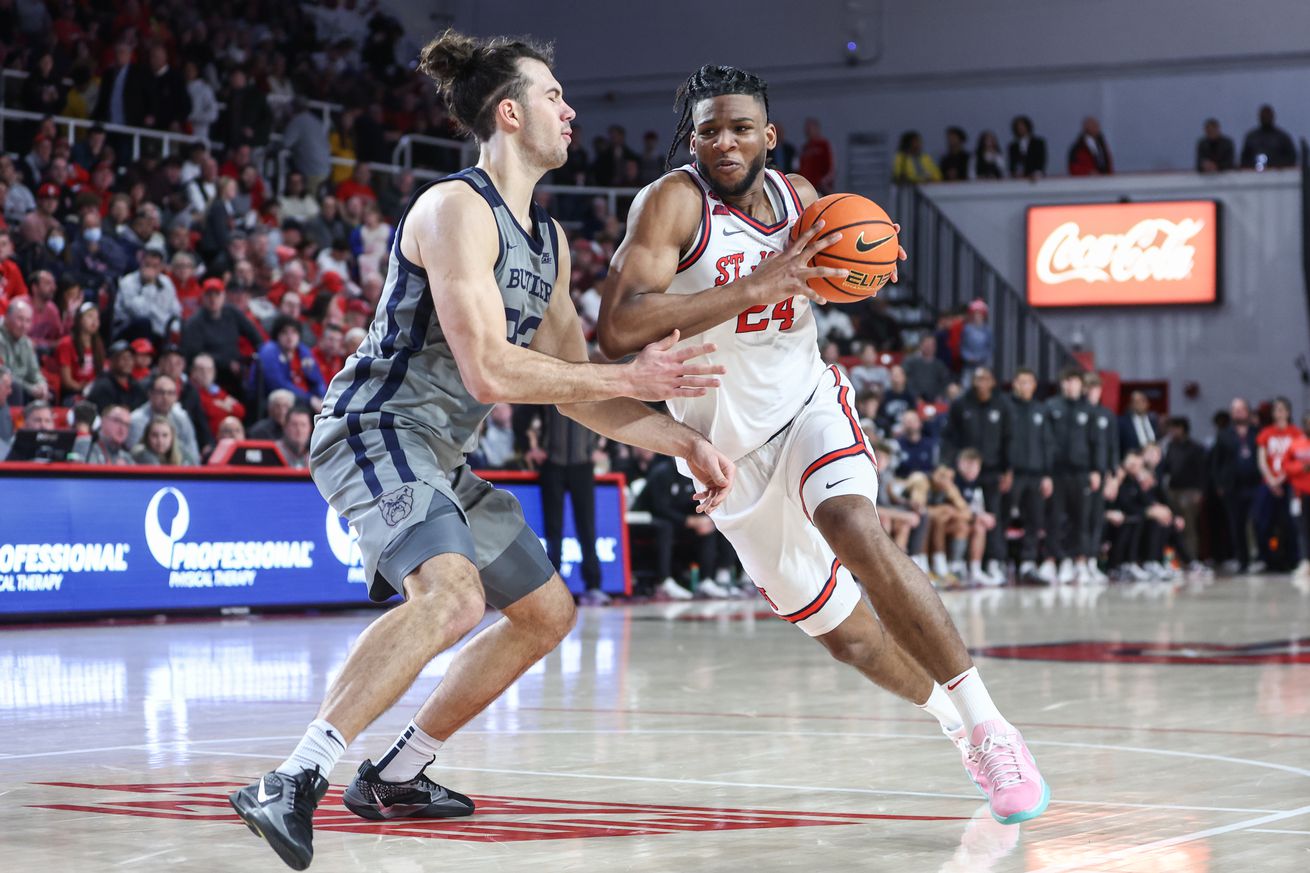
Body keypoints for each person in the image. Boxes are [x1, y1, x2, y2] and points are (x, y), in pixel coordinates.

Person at [228, 32, 736, 870]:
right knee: (453, 597)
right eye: (554, 96)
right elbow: (491, 369)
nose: (571, 110)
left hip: (442, 454)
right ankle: (293, 777)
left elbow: (583, 387)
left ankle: (399, 770)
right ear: (509, 112)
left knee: (546, 611)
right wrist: (630, 368)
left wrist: (680, 440)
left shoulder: (551, 239)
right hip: (376, 427)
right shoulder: (453, 207)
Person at [598, 63, 1048, 826]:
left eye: (741, 127)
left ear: (769, 135)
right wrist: (752, 287)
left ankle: (990, 725)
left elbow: (832, 275)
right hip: (728, 451)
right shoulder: (673, 203)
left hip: (807, 400)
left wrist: (848, 275)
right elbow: (617, 329)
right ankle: (950, 720)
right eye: (709, 129)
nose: (725, 141)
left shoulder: (804, 199)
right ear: (693, 138)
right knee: (851, 640)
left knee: (854, 524)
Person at [1045, 367, 1103, 584]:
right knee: (1057, 517)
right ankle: (1062, 561)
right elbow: (1047, 441)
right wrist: (1046, 472)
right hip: (1058, 472)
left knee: (1082, 517)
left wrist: (1096, 470)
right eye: (1067, 381)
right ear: (1062, 384)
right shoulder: (1052, 407)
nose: (1071, 385)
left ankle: (1080, 561)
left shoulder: (1089, 410)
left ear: (1081, 385)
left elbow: (1095, 442)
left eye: (1075, 381)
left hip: (1082, 472)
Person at [1006, 367, 1055, 583]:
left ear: (1034, 386)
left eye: (1029, 382)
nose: (1024, 386)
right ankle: (997, 562)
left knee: (1035, 520)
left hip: (1036, 474)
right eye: (1021, 381)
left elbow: (1047, 443)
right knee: (1002, 516)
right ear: (1014, 383)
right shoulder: (1006, 407)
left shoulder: (1041, 409)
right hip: (1012, 473)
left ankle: (1028, 562)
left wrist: (1047, 475)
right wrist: (1004, 469)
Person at [1211, 397, 1261, 572]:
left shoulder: (1257, 432)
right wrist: (1219, 484)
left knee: (1256, 521)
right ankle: (1242, 560)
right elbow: (1216, 462)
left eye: (1241, 409)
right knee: (1237, 524)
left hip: (1255, 485)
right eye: (1235, 409)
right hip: (1233, 487)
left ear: (1248, 411)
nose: (1238, 412)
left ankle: (1259, 556)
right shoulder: (1224, 434)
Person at [1255, 397, 1302, 571]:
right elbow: (1261, 460)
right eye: (1276, 409)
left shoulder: (1295, 433)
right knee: (1261, 522)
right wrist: (1271, 480)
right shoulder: (1266, 433)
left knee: (1291, 523)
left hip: (1290, 483)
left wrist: (1281, 478)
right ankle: (1266, 559)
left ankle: (1294, 560)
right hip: (1268, 483)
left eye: (1282, 409)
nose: (1279, 413)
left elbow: (1298, 460)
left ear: (1288, 412)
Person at [0, 297, 49, 404]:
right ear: (7, 317)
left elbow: (35, 372)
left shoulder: (26, 342)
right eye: (20, 319)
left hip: (25, 388)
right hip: (9, 388)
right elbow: (4, 374)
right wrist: (30, 389)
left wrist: (42, 384)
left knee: (47, 393)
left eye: (28, 321)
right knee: (14, 387)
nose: (24, 326)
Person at [86, 340, 148, 411]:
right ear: (111, 361)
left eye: (130, 358)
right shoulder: (102, 386)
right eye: (123, 358)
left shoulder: (136, 386)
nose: (127, 362)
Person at [1240, 104, 1297, 170]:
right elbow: (1244, 159)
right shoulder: (1251, 137)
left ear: (1273, 117)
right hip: (1253, 175)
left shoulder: (1282, 138)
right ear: (1259, 117)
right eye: (1264, 116)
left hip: (1279, 175)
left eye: (1268, 116)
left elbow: (1291, 157)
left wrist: (1278, 165)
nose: (1266, 118)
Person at [798, 117, 836, 195]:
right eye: (807, 129)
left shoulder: (824, 145)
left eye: (810, 129)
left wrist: (823, 182)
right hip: (808, 188)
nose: (808, 131)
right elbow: (800, 168)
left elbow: (831, 168)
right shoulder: (805, 148)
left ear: (817, 129)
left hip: (822, 188)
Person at [1007, 115, 1047, 179]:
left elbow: (1041, 158)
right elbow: (1012, 163)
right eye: (1018, 127)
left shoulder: (1038, 143)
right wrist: (1014, 173)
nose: (1020, 129)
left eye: (1022, 126)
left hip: (1036, 177)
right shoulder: (1013, 146)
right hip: (1019, 178)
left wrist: (1037, 172)